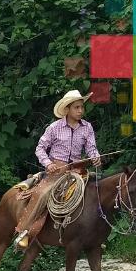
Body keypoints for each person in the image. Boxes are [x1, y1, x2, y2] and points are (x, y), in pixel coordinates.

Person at [15, 90, 103, 248]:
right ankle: (25, 231)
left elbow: (91, 148)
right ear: (67, 109)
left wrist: (95, 156)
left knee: (98, 190)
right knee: (41, 194)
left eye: (82, 107)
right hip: (57, 171)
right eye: (76, 107)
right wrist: (48, 164)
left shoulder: (87, 127)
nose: (80, 111)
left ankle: (94, 234)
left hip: (78, 170)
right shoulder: (54, 128)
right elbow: (40, 148)